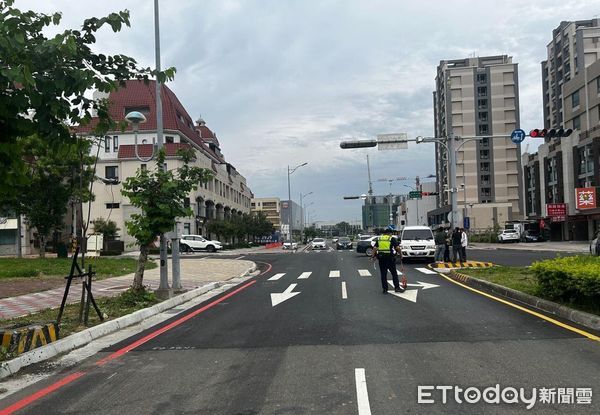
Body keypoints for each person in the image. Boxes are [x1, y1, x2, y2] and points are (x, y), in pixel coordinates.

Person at [371, 226, 404, 294]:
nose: (391, 234)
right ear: (389, 233)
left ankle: (385, 289)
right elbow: (397, 248)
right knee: (394, 273)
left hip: (381, 259)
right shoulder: (391, 239)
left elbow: (375, 248)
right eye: (391, 233)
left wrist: (373, 256)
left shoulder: (379, 239)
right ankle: (397, 288)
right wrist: (401, 255)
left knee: (383, 274)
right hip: (390, 259)